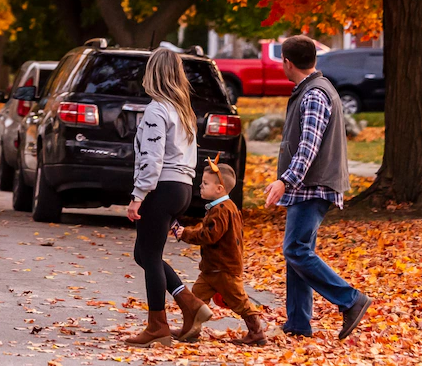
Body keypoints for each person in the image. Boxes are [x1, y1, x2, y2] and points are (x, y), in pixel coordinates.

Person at [264, 35, 370, 340]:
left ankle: (350, 299)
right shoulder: (311, 90)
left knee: (296, 249)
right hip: (308, 185)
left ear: (287, 61)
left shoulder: (314, 94)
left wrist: (285, 181)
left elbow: (309, 147)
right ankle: (298, 324)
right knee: (298, 252)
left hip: (314, 185)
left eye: (281, 60)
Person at [124, 48, 211, 348]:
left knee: (148, 256)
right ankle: (190, 305)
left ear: (153, 73)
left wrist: (138, 195)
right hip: (182, 188)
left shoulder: (157, 109)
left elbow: (152, 158)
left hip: (162, 186)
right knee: (145, 254)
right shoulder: (183, 110)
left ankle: (157, 326)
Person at [172, 160, 265, 345]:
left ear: (219, 189)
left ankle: (257, 333)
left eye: (205, 183)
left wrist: (186, 233)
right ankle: (191, 330)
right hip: (212, 269)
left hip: (223, 269)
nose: (201, 185)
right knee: (196, 298)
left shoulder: (221, 210)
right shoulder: (225, 207)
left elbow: (210, 235)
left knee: (239, 301)